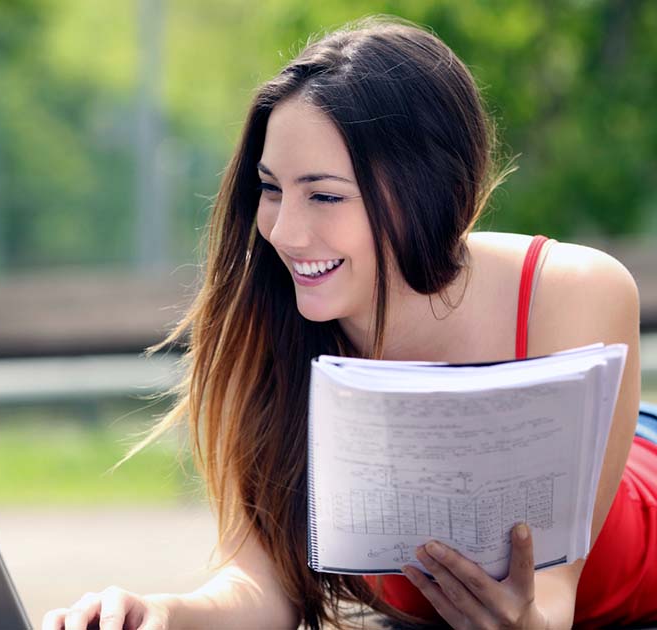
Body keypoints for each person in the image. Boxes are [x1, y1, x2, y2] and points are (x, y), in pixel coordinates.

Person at [42, 15, 657, 630]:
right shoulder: (269, 329)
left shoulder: (571, 290)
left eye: (325, 195)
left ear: (430, 190)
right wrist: (159, 613)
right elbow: (260, 584)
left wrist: (529, 621)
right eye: (271, 188)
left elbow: (552, 597)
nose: (283, 232)